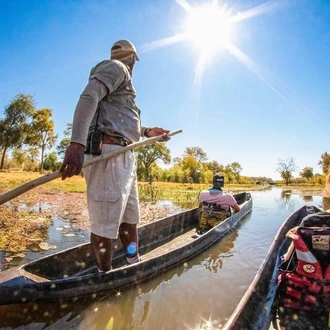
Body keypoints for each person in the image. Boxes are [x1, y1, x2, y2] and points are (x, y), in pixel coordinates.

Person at [60, 39, 170, 273]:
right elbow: (89, 97)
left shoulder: (122, 81)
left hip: (125, 154)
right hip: (108, 155)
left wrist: (148, 132)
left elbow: (121, 121)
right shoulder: (117, 68)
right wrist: (76, 144)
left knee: (130, 217)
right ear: (132, 59)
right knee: (104, 222)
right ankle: (104, 274)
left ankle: (132, 261)